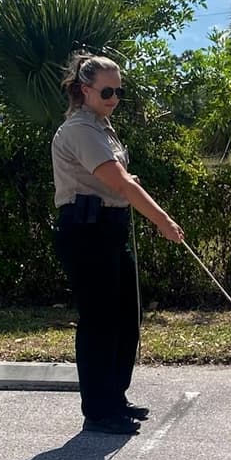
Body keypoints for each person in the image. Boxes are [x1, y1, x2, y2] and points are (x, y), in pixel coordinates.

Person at [51, 52, 185, 435]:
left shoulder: (102, 126)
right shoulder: (80, 129)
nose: (113, 98)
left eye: (118, 91)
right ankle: (98, 411)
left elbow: (119, 177)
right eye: (107, 91)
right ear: (84, 90)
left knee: (127, 316)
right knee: (99, 322)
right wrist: (163, 220)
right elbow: (120, 182)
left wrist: (126, 185)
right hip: (86, 233)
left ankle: (115, 398)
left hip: (110, 228)